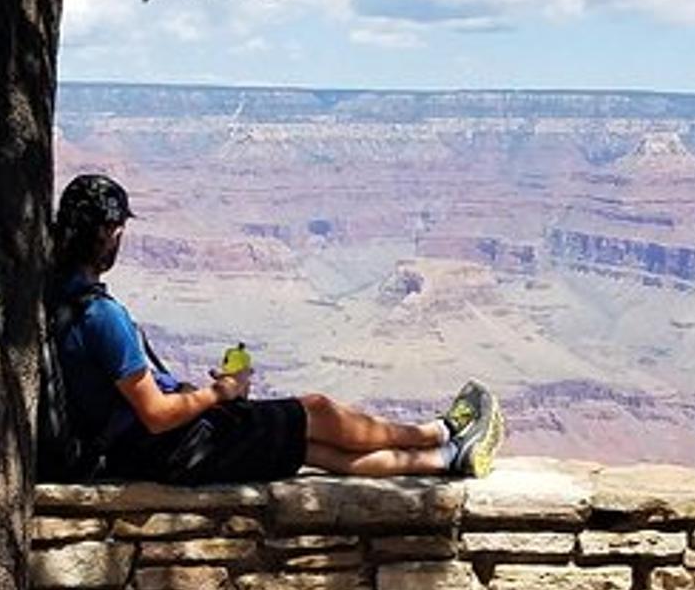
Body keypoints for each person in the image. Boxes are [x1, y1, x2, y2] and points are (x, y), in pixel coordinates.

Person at [47, 173, 504, 485]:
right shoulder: (99, 315)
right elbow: (155, 414)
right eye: (119, 229)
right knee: (315, 411)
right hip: (171, 448)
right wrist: (221, 393)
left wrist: (189, 391)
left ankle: (445, 459)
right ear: (108, 232)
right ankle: (439, 432)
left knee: (309, 449)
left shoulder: (57, 295)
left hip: (142, 449)